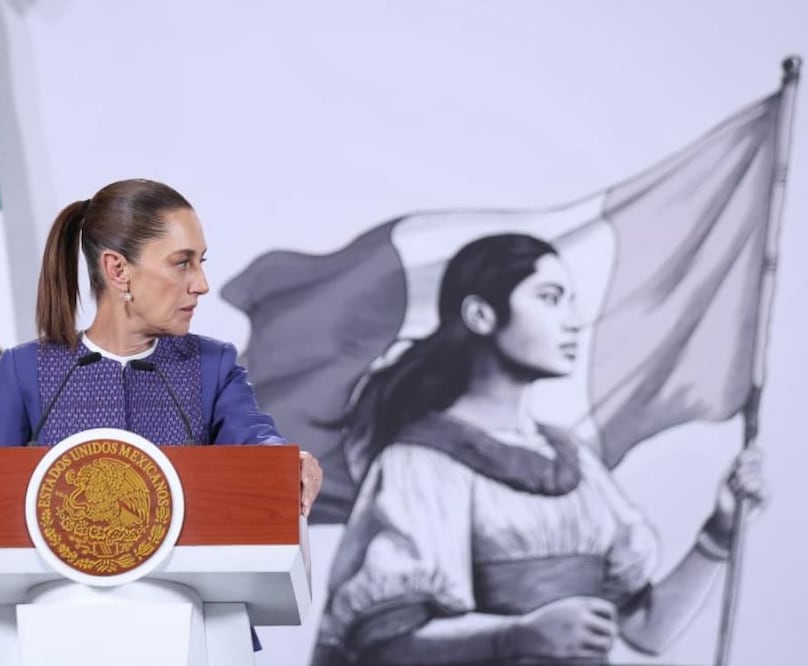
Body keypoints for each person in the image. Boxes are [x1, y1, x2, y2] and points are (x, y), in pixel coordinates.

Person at [311, 233, 766, 665]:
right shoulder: (421, 462)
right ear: (481, 316)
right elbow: (385, 645)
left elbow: (647, 629)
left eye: (570, 300)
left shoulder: (576, 461)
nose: (572, 319)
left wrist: (719, 533)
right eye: (549, 298)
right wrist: (518, 634)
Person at [0, 178, 323, 516]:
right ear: (118, 269)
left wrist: (285, 462)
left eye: (201, 262)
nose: (201, 284)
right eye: (183, 263)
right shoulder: (26, 371)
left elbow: (255, 443)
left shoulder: (213, 368)